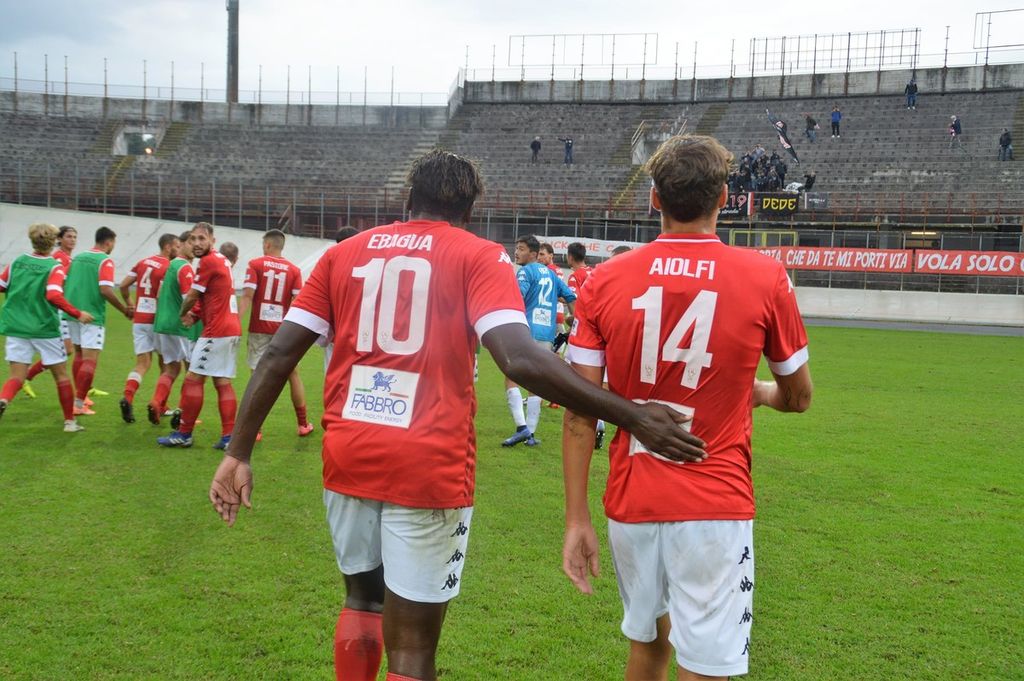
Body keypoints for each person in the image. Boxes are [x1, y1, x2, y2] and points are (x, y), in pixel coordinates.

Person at [208, 149, 706, 681]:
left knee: (361, 600)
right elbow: (517, 358)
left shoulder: (343, 254)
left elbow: (279, 354)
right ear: (469, 211)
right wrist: (631, 414)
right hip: (427, 461)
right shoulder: (477, 254)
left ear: (409, 198)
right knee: (413, 647)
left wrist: (238, 451)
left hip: (350, 452)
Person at [562, 134, 813, 680]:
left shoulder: (604, 279)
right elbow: (799, 397)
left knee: (648, 647)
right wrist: (762, 394)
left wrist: (576, 516)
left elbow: (580, 411)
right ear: (724, 197)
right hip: (714, 503)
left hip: (632, 500)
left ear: (655, 199)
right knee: (706, 665)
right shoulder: (765, 276)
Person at [0, 223, 95, 431]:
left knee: (16, 376)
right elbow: (53, 295)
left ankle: (3, 400)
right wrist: (77, 313)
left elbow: (1, 286)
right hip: (44, 328)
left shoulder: (17, 261)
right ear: (54, 241)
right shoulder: (54, 266)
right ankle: (70, 422)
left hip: (16, 327)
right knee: (61, 375)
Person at [157, 224, 241, 449]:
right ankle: (229, 437)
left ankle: (184, 434)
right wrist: (196, 316)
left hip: (216, 331)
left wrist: (183, 313)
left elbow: (193, 295)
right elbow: (211, 297)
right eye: (192, 239)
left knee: (193, 379)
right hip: (230, 328)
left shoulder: (207, 261)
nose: (196, 243)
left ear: (212, 240)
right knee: (222, 382)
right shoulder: (221, 260)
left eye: (202, 238)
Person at [502, 234, 577, 447]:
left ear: (533, 254)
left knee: (511, 376)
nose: (517, 252)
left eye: (521, 249)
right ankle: (531, 434)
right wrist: (574, 322)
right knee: (535, 382)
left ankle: (521, 428)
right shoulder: (551, 274)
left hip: (526, 331)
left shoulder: (525, 272)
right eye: (517, 248)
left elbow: (517, 297)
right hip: (546, 334)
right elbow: (571, 297)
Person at [238, 229, 313, 437]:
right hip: (284, 331)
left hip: (259, 329)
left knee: (256, 376)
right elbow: (298, 302)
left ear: (268, 244)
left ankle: (256, 430)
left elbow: (247, 296)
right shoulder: (294, 270)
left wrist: (236, 323)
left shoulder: (255, 264)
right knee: (293, 374)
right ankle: (303, 424)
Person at [63, 226, 133, 415]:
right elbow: (106, 290)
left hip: (73, 313)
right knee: (90, 359)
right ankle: (78, 404)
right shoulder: (104, 261)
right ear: (109, 242)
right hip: (91, 315)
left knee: (79, 354)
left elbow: (64, 281)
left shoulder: (77, 258)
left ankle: (81, 398)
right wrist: (123, 310)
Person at [117, 233, 178, 423]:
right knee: (167, 365)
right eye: (176, 246)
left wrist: (130, 304)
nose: (179, 250)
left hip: (139, 319)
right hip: (157, 320)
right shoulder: (168, 266)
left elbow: (124, 285)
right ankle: (160, 404)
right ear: (167, 246)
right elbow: (161, 295)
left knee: (142, 364)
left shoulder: (143, 262)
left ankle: (128, 397)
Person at [20, 225, 78, 398]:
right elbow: (57, 285)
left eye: (74, 237)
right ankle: (26, 376)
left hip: (61, 307)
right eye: (69, 236)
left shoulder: (67, 258)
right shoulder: (59, 258)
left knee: (67, 350)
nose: (72, 240)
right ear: (59, 239)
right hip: (56, 308)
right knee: (65, 350)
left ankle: (26, 377)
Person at [147, 230, 198, 425]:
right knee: (192, 371)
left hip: (163, 323)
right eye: (190, 242)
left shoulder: (171, 265)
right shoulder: (185, 267)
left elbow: (159, 295)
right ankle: (184, 412)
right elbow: (188, 298)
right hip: (179, 325)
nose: (195, 246)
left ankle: (156, 401)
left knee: (171, 369)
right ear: (182, 244)